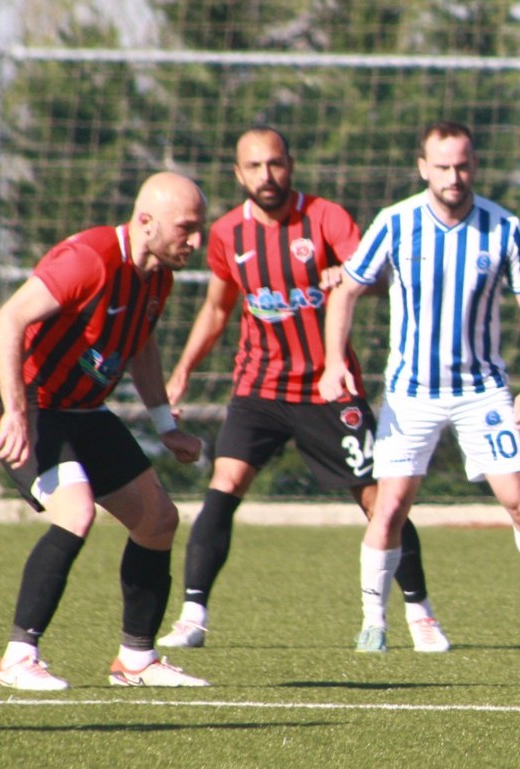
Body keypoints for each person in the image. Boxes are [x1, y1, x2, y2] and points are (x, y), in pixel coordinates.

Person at [156, 127, 449, 655]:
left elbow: (377, 275)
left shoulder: (325, 218)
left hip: (329, 388)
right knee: (223, 488)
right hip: (259, 387)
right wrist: (181, 372)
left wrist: (350, 274)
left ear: (290, 165)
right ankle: (192, 616)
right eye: (254, 167)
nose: (266, 177)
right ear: (238, 173)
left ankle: (420, 613)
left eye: (275, 164)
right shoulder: (226, 233)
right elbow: (219, 308)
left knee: (381, 504)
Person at [319, 121, 520, 656]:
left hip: (483, 392)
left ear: (475, 165)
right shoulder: (395, 222)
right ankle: (373, 623)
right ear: (423, 167)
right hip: (410, 392)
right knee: (390, 507)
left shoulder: (504, 227)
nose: (453, 176)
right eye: (442, 166)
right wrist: (334, 362)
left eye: (462, 165)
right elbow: (347, 290)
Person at [0, 171, 212, 691]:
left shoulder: (159, 277)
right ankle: (17, 657)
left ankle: (136, 660)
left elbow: (141, 345)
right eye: (187, 228)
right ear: (146, 222)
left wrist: (165, 424)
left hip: (81, 409)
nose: (196, 242)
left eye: (200, 229)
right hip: (26, 405)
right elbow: (7, 321)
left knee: (157, 520)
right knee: (76, 510)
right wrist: (13, 413)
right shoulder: (91, 257)